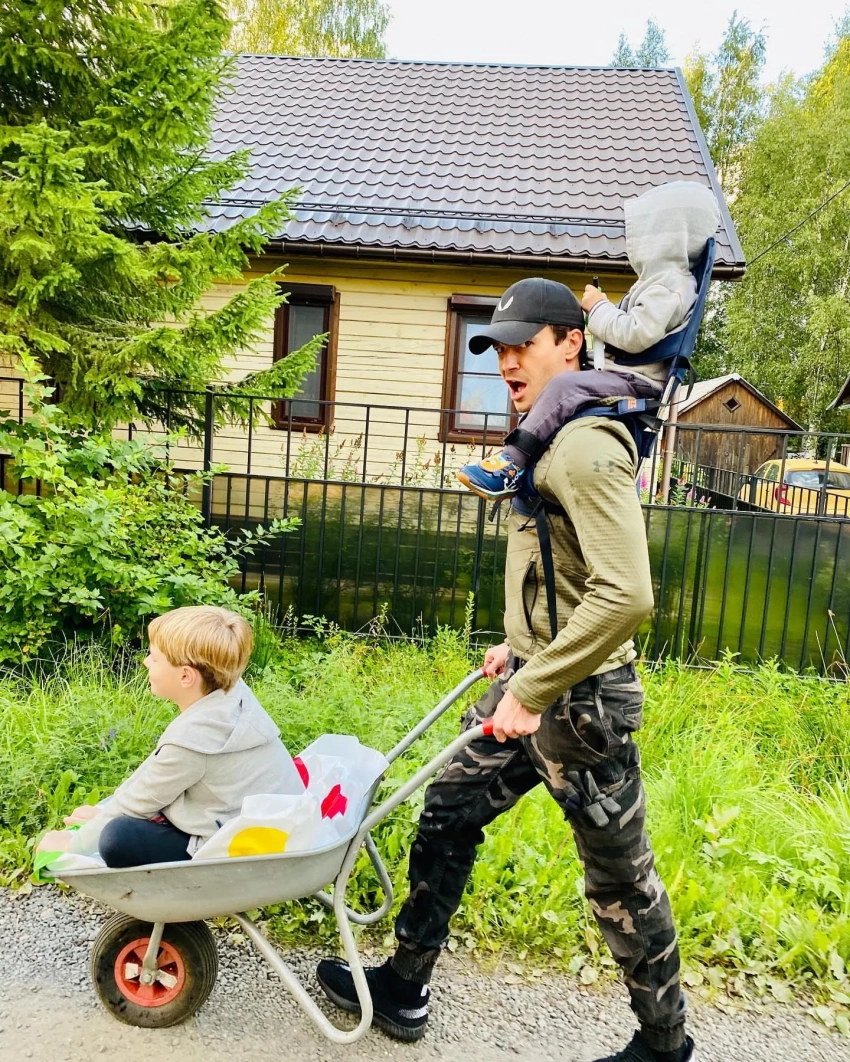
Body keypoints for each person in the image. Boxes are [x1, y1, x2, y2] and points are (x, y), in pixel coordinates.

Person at [316, 280, 694, 1062]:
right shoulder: (546, 436)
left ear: (572, 342)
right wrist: (517, 645)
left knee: (620, 881)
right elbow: (560, 570)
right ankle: (405, 984)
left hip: (582, 706)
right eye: (498, 348)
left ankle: (665, 1046)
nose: (508, 362)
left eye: (525, 344)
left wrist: (534, 682)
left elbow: (627, 596)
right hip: (534, 678)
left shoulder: (586, 446)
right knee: (448, 810)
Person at [457, 181, 719, 501]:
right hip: (628, 375)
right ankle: (524, 457)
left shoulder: (669, 285)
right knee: (557, 391)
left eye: (643, 233)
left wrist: (598, 308)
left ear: (667, 235)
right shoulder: (663, 283)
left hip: (637, 382)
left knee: (563, 387)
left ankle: (511, 464)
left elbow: (636, 334)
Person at [42, 605, 301, 868]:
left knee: (117, 837)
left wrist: (70, 845)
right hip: (275, 825)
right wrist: (102, 813)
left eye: (154, 658)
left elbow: (139, 802)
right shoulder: (232, 694)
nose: (146, 662)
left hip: (243, 849)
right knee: (115, 820)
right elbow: (152, 773)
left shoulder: (195, 738)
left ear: (186, 676)